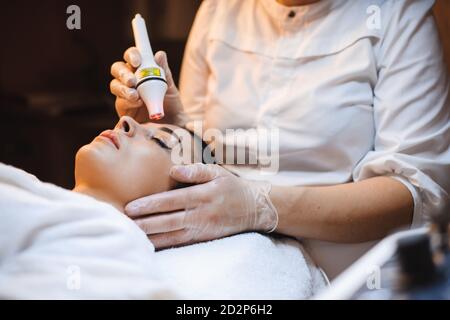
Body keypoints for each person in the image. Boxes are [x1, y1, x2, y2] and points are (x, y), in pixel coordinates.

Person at [110, 0, 450, 278]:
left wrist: (259, 206)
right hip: (227, 256)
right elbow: (202, 159)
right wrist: (169, 129)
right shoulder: (218, 9)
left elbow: (416, 190)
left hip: (350, 273)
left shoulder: (396, 13)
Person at [0, 117, 324, 299]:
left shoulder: (104, 234)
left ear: (182, 206)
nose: (125, 120)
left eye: (160, 141)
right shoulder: (37, 191)